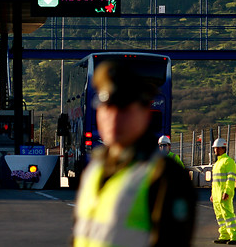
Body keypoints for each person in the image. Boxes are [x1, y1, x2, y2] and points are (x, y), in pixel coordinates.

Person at [73, 61, 195, 246]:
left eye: (124, 108)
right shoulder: (95, 168)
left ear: (145, 113)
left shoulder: (165, 176)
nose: (114, 117)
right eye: (107, 106)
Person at [210, 138, 236, 245]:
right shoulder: (217, 163)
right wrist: (212, 194)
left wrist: (227, 191)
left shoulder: (228, 161)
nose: (216, 150)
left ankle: (235, 236)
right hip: (217, 195)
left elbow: (231, 178)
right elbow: (215, 181)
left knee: (228, 215)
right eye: (215, 148)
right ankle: (224, 235)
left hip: (224, 194)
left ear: (224, 148)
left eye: (218, 148)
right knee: (220, 217)